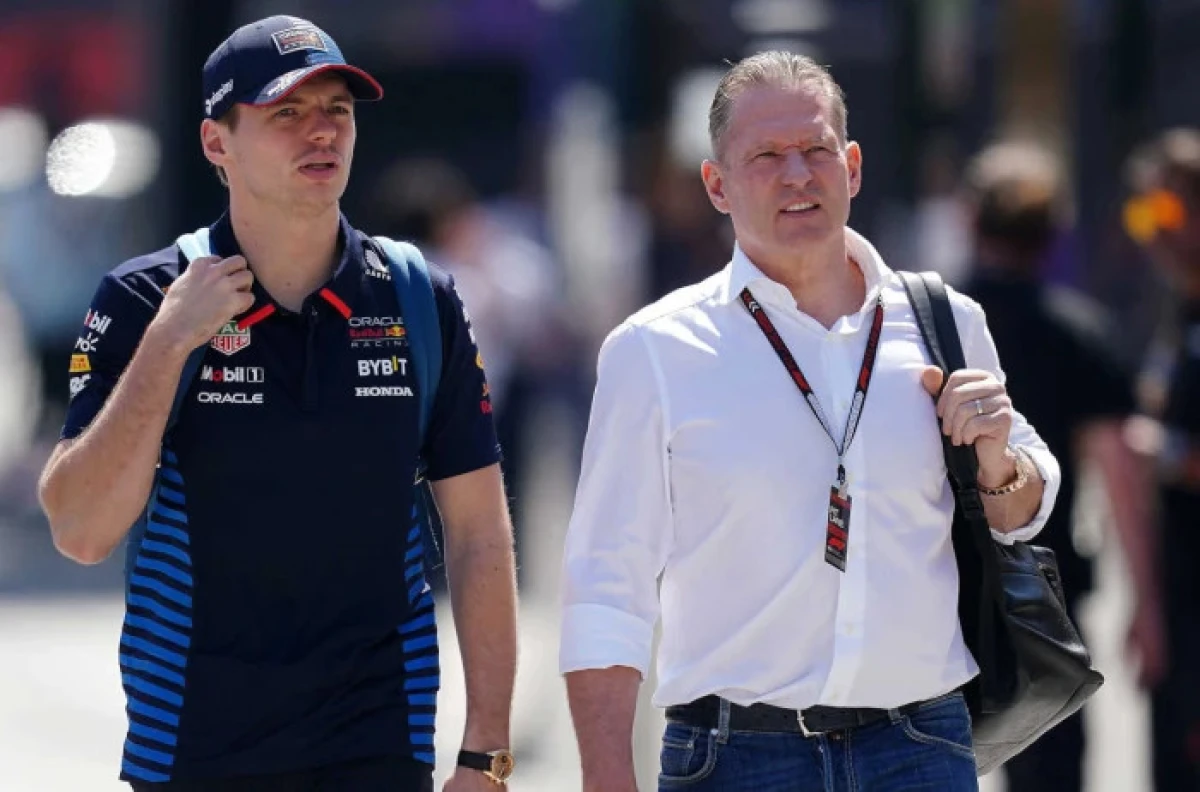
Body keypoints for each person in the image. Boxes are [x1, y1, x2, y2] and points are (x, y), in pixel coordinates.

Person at [36, 16, 518, 791]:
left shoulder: (416, 295)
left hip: (379, 745)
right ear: (215, 144)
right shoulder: (145, 298)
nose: (321, 132)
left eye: (338, 109)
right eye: (285, 113)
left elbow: (478, 535)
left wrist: (486, 755)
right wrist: (169, 345)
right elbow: (81, 531)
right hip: (194, 751)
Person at [558, 51, 1062, 792]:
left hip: (920, 744)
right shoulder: (655, 350)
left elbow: (1022, 513)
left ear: (852, 167)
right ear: (717, 185)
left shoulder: (945, 323)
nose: (798, 175)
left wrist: (997, 463)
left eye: (816, 150)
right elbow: (608, 582)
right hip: (734, 757)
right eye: (766, 155)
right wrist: (606, 775)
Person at [960, 141, 1163, 792]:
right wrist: (1147, 602)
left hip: (938, 583)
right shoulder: (1079, 333)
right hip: (1046, 595)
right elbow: (1120, 477)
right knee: (1051, 771)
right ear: (1054, 235)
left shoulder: (930, 327)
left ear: (971, 220)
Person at [1122, 126, 1200, 792]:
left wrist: (1163, 452)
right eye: (1141, 213)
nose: (1151, 231)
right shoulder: (1179, 306)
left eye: (1165, 212)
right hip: (1177, 596)